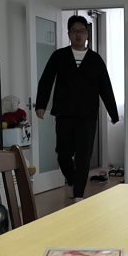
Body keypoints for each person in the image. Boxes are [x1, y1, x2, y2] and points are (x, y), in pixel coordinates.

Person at [35, 15, 119, 202]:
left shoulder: (95, 60)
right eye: (74, 31)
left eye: (81, 31)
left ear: (87, 34)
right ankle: (72, 180)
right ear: (68, 34)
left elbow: (106, 87)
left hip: (87, 115)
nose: (78, 34)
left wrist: (113, 113)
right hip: (64, 113)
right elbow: (46, 80)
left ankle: (79, 194)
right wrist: (41, 104)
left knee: (84, 155)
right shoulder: (59, 56)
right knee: (63, 153)